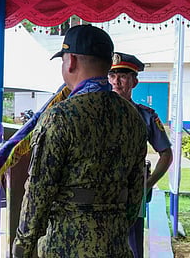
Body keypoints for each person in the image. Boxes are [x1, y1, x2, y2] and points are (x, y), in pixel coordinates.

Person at [12, 25, 148, 257]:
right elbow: (136, 188)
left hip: (67, 244)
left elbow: (39, 189)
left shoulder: (60, 116)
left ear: (71, 61)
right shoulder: (132, 116)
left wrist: (23, 245)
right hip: (115, 244)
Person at [108, 52, 173, 258]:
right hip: (101, 193)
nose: (117, 82)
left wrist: (148, 184)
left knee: (133, 247)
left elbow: (166, 154)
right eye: (112, 76)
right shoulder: (97, 112)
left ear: (134, 82)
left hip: (132, 193)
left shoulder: (146, 115)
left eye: (123, 76)